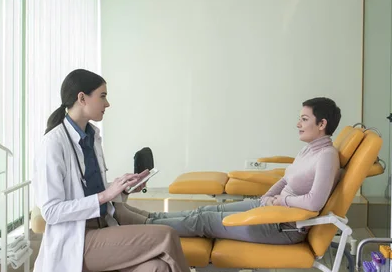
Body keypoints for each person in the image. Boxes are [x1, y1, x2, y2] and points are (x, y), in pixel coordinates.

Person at [32, 69, 198, 272]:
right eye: (102, 96)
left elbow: (91, 191)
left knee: (156, 269)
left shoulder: (91, 136)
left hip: (104, 228)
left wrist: (122, 189)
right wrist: (105, 195)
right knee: (166, 235)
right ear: (82, 98)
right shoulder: (53, 144)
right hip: (78, 240)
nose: (107, 103)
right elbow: (51, 211)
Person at [144, 97, 342, 245]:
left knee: (202, 221)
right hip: (271, 209)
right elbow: (286, 179)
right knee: (205, 210)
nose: (298, 124)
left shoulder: (326, 156)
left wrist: (281, 200)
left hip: (283, 226)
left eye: (304, 119)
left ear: (322, 124)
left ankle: (143, 227)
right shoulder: (308, 149)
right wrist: (267, 197)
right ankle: (148, 218)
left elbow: (315, 201)